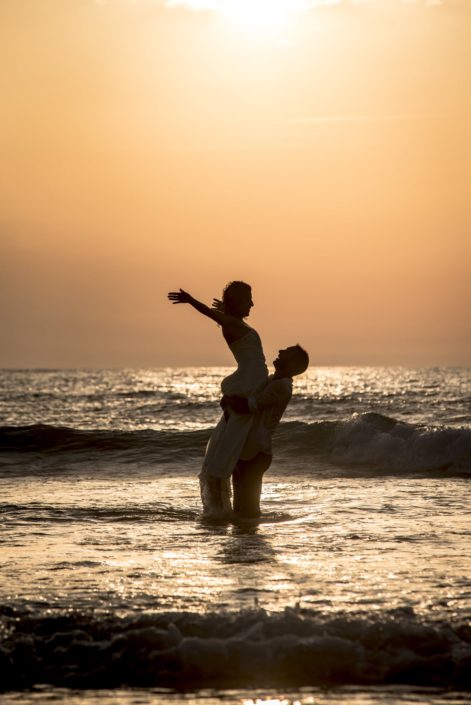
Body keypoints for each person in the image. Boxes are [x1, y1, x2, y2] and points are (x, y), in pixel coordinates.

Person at [168, 282, 268, 514]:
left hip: (253, 382)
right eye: (248, 299)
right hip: (249, 383)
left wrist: (224, 308)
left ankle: (235, 490)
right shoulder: (230, 323)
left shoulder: (234, 321)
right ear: (237, 302)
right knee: (238, 435)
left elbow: (223, 316)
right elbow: (210, 314)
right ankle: (226, 498)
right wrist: (192, 301)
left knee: (245, 433)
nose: (252, 303)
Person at [223, 344, 309, 519]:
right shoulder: (272, 381)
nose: (280, 351)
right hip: (247, 449)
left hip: (255, 452)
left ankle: (250, 542)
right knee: (240, 508)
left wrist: (230, 398)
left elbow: (249, 406)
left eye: (287, 352)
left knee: (248, 508)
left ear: (293, 365)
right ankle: (244, 541)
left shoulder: (282, 387)